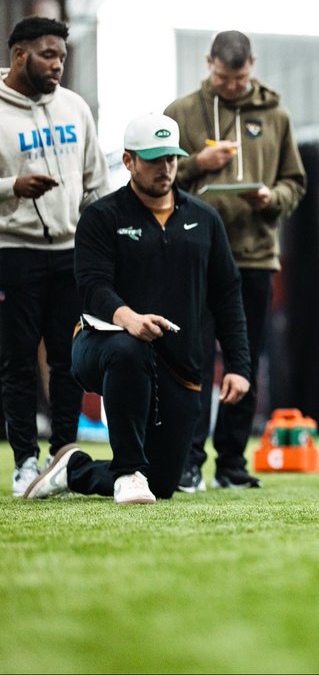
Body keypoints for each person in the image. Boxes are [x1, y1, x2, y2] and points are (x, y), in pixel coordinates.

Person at [21, 113, 250, 504]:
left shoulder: (205, 219)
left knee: (161, 486)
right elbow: (92, 287)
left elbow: (227, 297)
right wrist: (129, 319)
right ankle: (127, 470)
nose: (165, 168)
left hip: (178, 367)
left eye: (172, 159)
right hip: (100, 345)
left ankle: (73, 469)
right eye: (154, 159)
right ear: (128, 161)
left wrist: (239, 367)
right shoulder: (101, 217)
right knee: (130, 348)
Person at [165, 30, 307, 491]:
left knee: (244, 360)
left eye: (239, 78)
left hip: (255, 255)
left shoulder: (277, 115)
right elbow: (156, 176)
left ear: (253, 66)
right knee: (193, 358)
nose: (231, 86)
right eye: (223, 78)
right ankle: (187, 461)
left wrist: (273, 197)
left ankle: (232, 463)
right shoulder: (181, 113)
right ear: (208, 64)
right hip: (195, 255)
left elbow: (295, 182)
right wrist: (195, 165)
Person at [0, 16, 109, 498]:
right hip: (14, 252)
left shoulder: (75, 108)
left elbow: (96, 184)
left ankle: (63, 454)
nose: (58, 65)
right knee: (19, 362)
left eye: (62, 56)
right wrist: (12, 188)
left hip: (69, 254)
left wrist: (97, 239)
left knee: (70, 360)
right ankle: (25, 460)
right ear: (20, 54)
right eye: (48, 54)